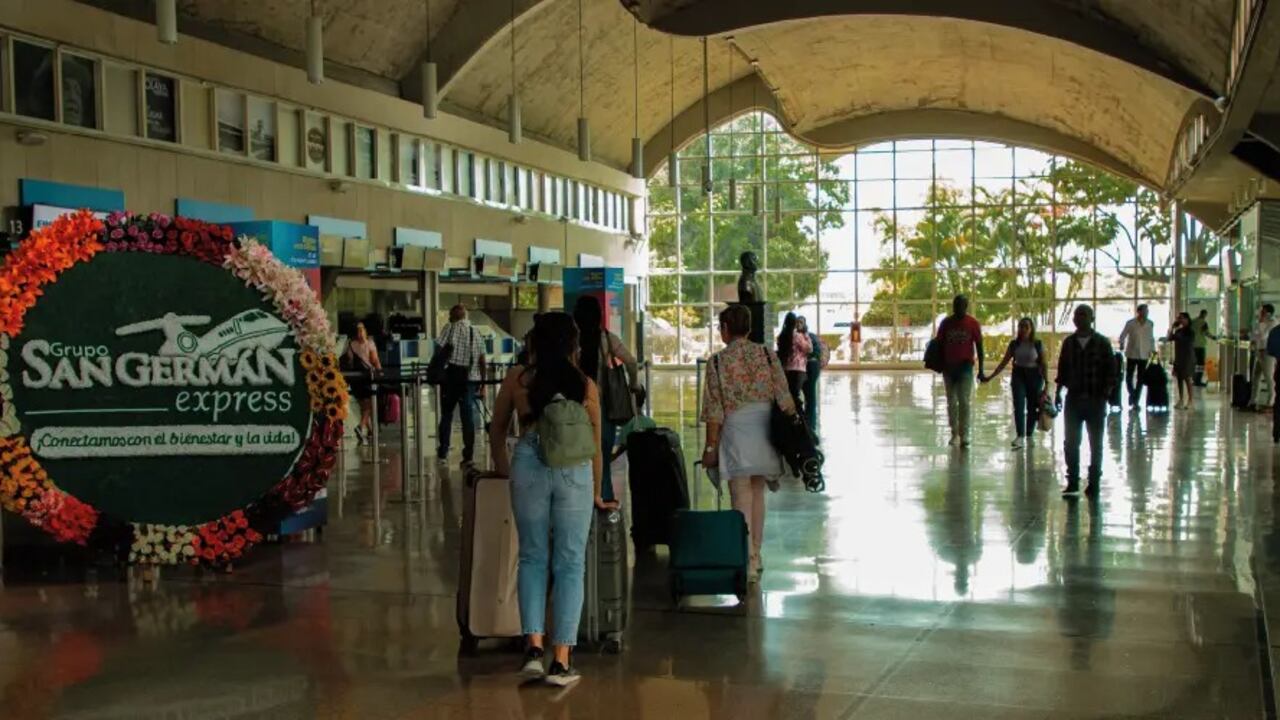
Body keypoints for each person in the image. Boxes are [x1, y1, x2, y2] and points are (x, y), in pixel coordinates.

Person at [489, 312, 606, 687]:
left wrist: (507, 470)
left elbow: (495, 432)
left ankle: (533, 649)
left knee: (532, 556)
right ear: (573, 345)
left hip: (529, 463)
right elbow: (597, 446)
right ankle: (562, 660)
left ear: (535, 343)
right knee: (570, 562)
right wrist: (598, 494)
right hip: (574, 470)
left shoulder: (518, 381)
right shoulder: (585, 386)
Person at [702, 304, 795, 582]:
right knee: (757, 493)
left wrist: (710, 447)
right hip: (766, 432)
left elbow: (714, 409)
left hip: (737, 435)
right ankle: (756, 552)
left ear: (725, 330)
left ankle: (746, 560)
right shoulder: (766, 354)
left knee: (740, 495)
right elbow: (784, 395)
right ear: (751, 328)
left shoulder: (717, 362)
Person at [572, 296, 642, 501]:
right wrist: (633, 384)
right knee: (601, 452)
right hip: (602, 405)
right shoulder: (607, 338)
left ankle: (582, 496)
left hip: (576, 405)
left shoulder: (572, 340)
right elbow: (630, 361)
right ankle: (604, 495)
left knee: (578, 454)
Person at [1054, 304, 1118, 498]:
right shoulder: (1069, 343)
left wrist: (1105, 394)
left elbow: (1111, 371)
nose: (1079, 318)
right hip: (1073, 399)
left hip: (1095, 400)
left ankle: (1094, 481)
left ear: (1092, 318)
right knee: (1071, 442)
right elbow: (1062, 370)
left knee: (1095, 442)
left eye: (1083, 314)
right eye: (1077, 315)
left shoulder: (1102, 343)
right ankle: (1072, 480)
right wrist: (1057, 392)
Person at [979, 317, 1047, 449]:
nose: (1023, 330)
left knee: (1032, 407)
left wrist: (1047, 384)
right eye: (1021, 326)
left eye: (1026, 327)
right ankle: (1020, 435)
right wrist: (990, 377)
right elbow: (1004, 363)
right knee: (1019, 405)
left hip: (1035, 377)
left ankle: (1029, 434)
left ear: (1031, 329)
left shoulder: (1038, 344)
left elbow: (1044, 364)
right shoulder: (1014, 344)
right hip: (1018, 375)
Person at [435, 304, 487, 466]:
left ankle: (443, 451)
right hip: (469, 380)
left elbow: (438, 350)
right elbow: (482, 360)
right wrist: (483, 384)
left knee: (447, 415)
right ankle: (468, 455)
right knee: (468, 418)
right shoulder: (476, 332)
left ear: (453, 316)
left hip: (451, 379)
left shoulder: (449, 328)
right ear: (465, 316)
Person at [935, 295, 984, 448]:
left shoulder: (973, 324)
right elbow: (938, 344)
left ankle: (965, 433)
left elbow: (980, 347)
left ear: (966, 306)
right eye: (956, 305)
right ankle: (954, 433)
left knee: (964, 401)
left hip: (965, 368)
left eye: (961, 306)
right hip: (949, 368)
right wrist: (939, 363)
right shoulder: (946, 323)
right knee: (951, 402)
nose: (958, 309)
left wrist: (981, 369)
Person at [343, 322, 381, 443]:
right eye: (358, 331)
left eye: (361, 330)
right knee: (368, 405)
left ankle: (370, 431)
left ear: (365, 331)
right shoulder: (369, 344)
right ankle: (360, 427)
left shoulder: (351, 345)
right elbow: (375, 360)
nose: (360, 333)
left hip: (355, 379)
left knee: (363, 407)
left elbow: (349, 362)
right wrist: (380, 372)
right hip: (366, 378)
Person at [1118, 304, 1156, 408]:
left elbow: (1151, 338)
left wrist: (1153, 351)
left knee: (1141, 378)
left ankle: (1136, 400)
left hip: (1144, 354)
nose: (1146, 313)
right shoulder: (1130, 323)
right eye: (1144, 311)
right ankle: (1132, 394)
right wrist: (1121, 343)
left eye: (1147, 311)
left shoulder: (1150, 324)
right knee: (1129, 377)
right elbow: (1123, 335)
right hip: (1132, 353)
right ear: (1138, 312)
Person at [776, 312, 812, 415]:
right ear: (794, 323)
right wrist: (806, 334)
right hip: (798, 371)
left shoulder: (781, 337)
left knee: (790, 396)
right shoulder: (798, 336)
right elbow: (809, 349)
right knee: (796, 397)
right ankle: (801, 421)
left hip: (786, 370)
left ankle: (790, 421)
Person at [797, 315, 824, 431]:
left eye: (800, 323)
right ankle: (810, 426)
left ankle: (806, 426)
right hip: (811, 368)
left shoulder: (797, 337)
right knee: (811, 398)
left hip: (803, 370)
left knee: (806, 397)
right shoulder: (810, 336)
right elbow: (817, 353)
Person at [1166, 312, 1196, 409]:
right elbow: (1169, 338)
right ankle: (1181, 399)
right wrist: (1172, 328)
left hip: (1187, 357)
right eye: (1178, 318)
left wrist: (1177, 335)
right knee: (1179, 378)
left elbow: (1185, 340)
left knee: (1187, 378)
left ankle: (1190, 400)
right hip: (1179, 357)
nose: (1180, 320)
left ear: (1187, 319)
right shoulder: (1178, 331)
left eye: (1182, 318)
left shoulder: (1190, 331)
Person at [1251, 304, 1278, 410]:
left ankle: (1271, 401)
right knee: (1256, 376)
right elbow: (1254, 335)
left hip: (1268, 352)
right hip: (1259, 351)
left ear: (1268, 313)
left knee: (1268, 376)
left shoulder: (1273, 323)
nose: (1261, 313)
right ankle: (1253, 400)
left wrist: (1260, 324)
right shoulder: (1262, 322)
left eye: (1263, 311)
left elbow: (1262, 335)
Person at [1190, 309, 1215, 387]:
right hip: (1200, 345)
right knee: (1200, 364)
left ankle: (1194, 379)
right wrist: (1214, 337)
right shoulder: (1203, 323)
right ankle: (1198, 380)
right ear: (1204, 315)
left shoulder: (1193, 321)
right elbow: (1206, 333)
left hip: (1192, 345)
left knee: (1194, 363)